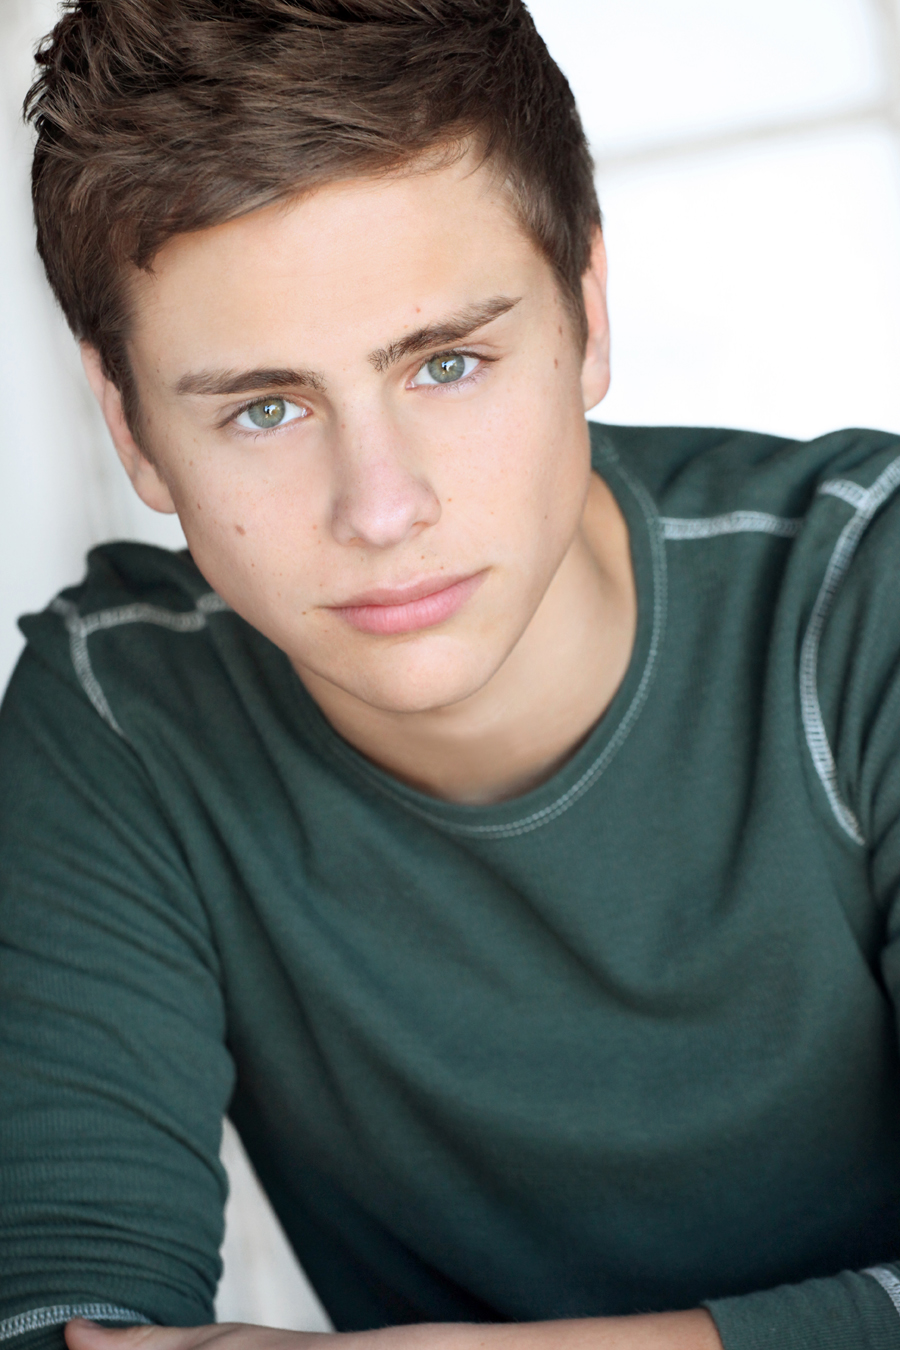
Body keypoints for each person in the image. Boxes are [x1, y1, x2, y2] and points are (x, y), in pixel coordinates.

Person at [3, 1, 900, 1348]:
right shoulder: (120, 714)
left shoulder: (861, 594)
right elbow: (63, 1318)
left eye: (449, 363)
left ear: (587, 311)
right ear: (131, 425)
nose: (381, 508)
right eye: (265, 407)